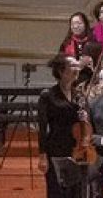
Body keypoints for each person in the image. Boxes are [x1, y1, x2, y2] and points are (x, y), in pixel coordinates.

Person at [36, 56, 88, 198]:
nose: (77, 68)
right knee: (56, 192)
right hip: (56, 151)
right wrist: (42, 156)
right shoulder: (48, 96)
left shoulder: (79, 95)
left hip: (76, 151)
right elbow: (42, 128)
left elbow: (87, 127)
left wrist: (85, 119)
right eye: (72, 65)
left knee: (75, 193)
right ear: (61, 71)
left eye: (78, 65)